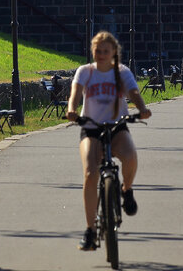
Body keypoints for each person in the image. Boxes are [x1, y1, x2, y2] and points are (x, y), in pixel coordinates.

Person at [67, 31, 152, 251]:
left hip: (116, 126)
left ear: (114, 52)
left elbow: (133, 91)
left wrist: (141, 109)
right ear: (92, 51)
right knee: (90, 173)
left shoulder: (121, 72)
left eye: (106, 51)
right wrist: (72, 110)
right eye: (97, 50)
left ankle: (126, 189)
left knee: (130, 156)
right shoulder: (85, 71)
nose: (101, 54)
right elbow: (75, 91)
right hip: (91, 127)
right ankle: (90, 230)